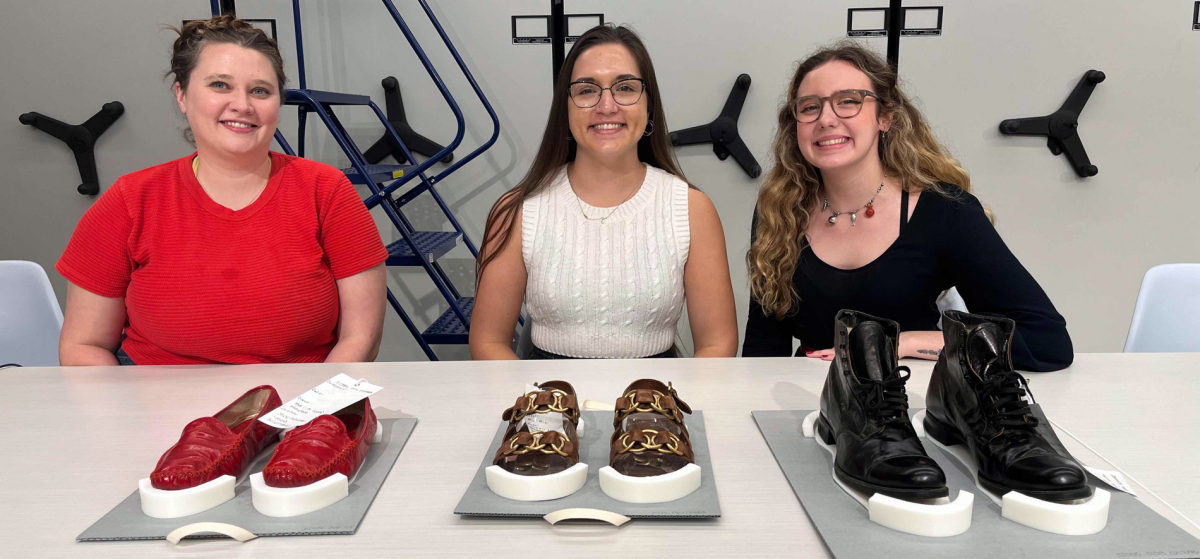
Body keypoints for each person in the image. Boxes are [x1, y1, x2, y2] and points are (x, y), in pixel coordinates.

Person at [57, 16, 388, 365]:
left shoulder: (327, 191)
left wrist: (311, 413)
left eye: (260, 90)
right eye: (219, 85)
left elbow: (361, 339)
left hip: (297, 408)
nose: (242, 105)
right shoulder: (130, 200)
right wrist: (131, 415)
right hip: (158, 410)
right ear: (182, 95)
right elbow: (84, 346)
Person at [742, 43, 1072, 371]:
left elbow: (1047, 341)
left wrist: (905, 343)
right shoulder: (779, 210)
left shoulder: (945, 211)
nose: (826, 119)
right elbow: (762, 349)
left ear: (884, 117)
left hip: (911, 404)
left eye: (848, 102)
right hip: (810, 403)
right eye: (810, 107)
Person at [470, 25, 737, 360]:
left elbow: (718, 346)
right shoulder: (518, 210)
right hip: (549, 402)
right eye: (586, 91)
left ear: (649, 106)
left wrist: (666, 411)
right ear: (565, 109)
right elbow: (488, 343)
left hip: (655, 403)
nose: (606, 106)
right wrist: (543, 409)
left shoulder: (691, 209)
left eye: (625, 88)